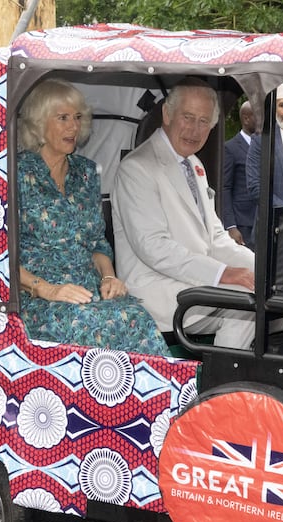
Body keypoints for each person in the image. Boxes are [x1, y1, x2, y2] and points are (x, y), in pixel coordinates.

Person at [17, 78, 169, 356]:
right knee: (87, 326)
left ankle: (154, 399)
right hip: (37, 296)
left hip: (88, 290)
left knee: (137, 317)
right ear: (38, 124)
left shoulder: (86, 173)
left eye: (77, 117)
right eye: (62, 118)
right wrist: (48, 290)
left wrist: (109, 277)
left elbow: (97, 242)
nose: (73, 127)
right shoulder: (15, 174)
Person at [112, 77, 256, 349]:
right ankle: (221, 384)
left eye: (204, 121)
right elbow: (154, 248)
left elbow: (215, 237)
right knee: (246, 305)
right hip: (159, 294)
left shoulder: (193, 164)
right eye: (188, 117)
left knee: (276, 297)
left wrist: (260, 267)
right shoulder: (137, 168)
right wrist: (222, 274)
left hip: (193, 285)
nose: (195, 129)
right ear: (167, 114)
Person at [222, 101, 257, 249]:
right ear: (246, 118)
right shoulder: (230, 148)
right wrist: (230, 226)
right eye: (259, 116)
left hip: (264, 220)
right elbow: (225, 187)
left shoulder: (267, 146)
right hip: (243, 223)